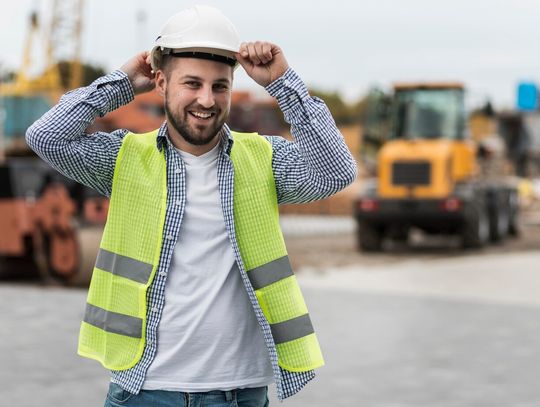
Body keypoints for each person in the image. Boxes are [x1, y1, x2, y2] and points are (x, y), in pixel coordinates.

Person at [26, 5, 356, 407]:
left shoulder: (262, 159)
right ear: (161, 83)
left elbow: (335, 172)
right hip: (145, 390)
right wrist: (122, 84)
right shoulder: (124, 158)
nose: (207, 99)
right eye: (192, 83)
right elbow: (46, 137)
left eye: (220, 86)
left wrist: (284, 83)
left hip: (239, 392)